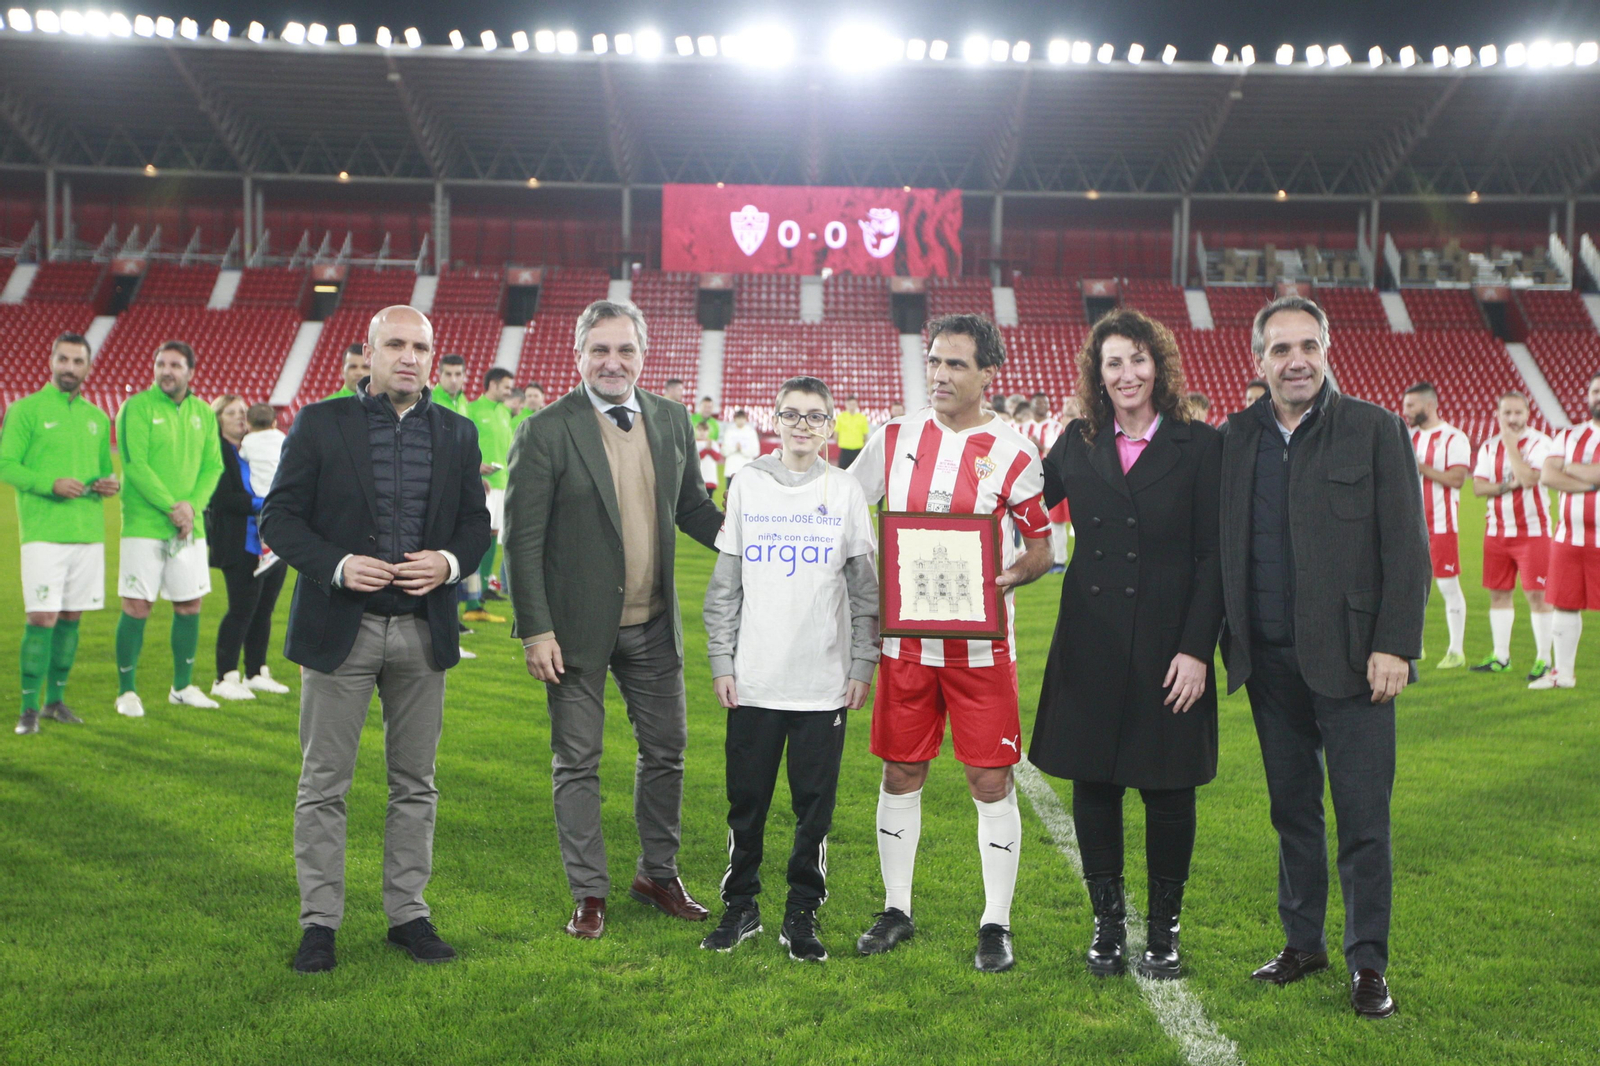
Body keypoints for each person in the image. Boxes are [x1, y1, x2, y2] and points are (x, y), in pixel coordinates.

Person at [261, 305, 491, 974]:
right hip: (342, 626)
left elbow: (476, 528)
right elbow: (279, 517)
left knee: (416, 783)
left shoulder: (457, 433)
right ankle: (320, 923)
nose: (410, 356)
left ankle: (407, 914)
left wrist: (448, 563)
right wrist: (337, 564)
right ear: (368, 352)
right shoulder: (321, 423)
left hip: (422, 631)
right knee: (324, 783)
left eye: (421, 345)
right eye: (396, 343)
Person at [1218, 296, 1428, 1019]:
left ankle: (1367, 963)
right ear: (1259, 360)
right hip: (1270, 665)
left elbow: (1407, 547)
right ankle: (1302, 942)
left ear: (1328, 350)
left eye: (1307, 345)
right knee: (1293, 813)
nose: (1295, 359)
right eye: (1280, 349)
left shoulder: (1375, 429)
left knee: (1364, 819)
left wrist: (1395, 643)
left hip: (1354, 664)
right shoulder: (1236, 436)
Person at [503, 299, 724, 941]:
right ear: (579, 356)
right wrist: (536, 630)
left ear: (642, 355)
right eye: (600, 350)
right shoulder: (545, 430)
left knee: (668, 751)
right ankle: (588, 891)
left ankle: (658, 872)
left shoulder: (672, 420)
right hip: (572, 631)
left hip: (653, 622)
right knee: (578, 760)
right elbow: (521, 540)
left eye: (625, 350)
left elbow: (694, 509)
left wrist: (761, 535)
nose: (613, 361)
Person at [847, 313, 1054, 974]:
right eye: (934, 361)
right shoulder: (895, 437)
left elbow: (1043, 548)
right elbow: (848, 510)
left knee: (989, 779)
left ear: (989, 374)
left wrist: (1013, 575)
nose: (939, 373)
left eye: (956, 364)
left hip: (982, 651)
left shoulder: (1017, 451)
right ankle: (896, 907)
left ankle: (996, 921)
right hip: (906, 647)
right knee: (900, 770)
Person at [1030, 308, 1222, 980]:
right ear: (1098, 373)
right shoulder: (1077, 442)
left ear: (1159, 365)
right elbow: (1022, 499)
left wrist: (1198, 649)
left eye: (1138, 359)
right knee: (1096, 783)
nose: (1127, 373)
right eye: (1114, 362)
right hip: (1092, 639)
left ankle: (1164, 931)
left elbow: (1213, 557)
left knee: (1168, 790)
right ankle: (1107, 926)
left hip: (1172, 646)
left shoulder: (1201, 446)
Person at [701, 376, 879, 961]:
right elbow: (725, 587)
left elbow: (864, 594)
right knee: (745, 802)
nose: (802, 426)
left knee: (814, 810)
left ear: (831, 426)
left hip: (822, 683)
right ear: (774, 421)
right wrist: (722, 660)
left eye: (814, 417)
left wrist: (861, 664)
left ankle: (801, 910)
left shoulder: (847, 491)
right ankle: (741, 905)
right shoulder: (748, 484)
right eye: (791, 415)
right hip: (754, 679)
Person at [0, 332, 116, 734]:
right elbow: (6, 464)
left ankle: (55, 702)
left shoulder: (98, 418)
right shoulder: (25, 411)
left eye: (78, 361)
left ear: (87, 366)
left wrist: (109, 484)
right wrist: (50, 483)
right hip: (44, 532)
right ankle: (28, 708)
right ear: (51, 362)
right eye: (63, 360)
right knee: (42, 616)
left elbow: (104, 470)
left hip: (87, 532)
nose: (70, 368)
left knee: (71, 617)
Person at [115, 340, 226, 716]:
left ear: (190, 372)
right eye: (161, 363)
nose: (167, 371)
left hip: (188, 527)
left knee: (189, 605)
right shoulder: (137, 407)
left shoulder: (203, 412)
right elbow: (136, 466)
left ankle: (182, 687)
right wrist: (172, 508)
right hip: (145, 524)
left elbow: (214, 466)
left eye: (175, 365)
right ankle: (126, 691)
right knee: (137, 605)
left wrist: (190, 509)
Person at [205, 395, 290, 702]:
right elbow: (225, 498)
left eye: (244, 412)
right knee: (241, 608)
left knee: (264, 609)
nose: (241, 417)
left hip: (271, 541)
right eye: (232, 412)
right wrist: (270, 504)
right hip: (239, 542)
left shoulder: (255, 449)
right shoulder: (218, 450)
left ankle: (255, 672)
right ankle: (224, 676)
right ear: (218, 419)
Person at [1469, 392, 1555, 678]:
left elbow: (1531, 479)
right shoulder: (1488, 447)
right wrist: (1509, 484)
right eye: (1507, 413)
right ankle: (1501, 657)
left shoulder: (1541, 443)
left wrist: (1510, 445)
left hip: (1533, 533)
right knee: (1499, 594)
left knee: (1538, 596)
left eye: (1518, 413)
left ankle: (1544, 660)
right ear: (1498, 414)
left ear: (1528, 414)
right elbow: (1479, 488)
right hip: (1496, 532)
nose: (1513, 419)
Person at [1533, 371, 1600, 690]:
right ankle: (1564, 674)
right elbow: (1548, 475)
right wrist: (1590, 481)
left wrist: (1571, 468)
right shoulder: (1568, 435)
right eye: (1595, 391)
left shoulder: (1570, 446)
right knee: (1565, 602)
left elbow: (1563, 471)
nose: (1598, 396)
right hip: (1568, 537)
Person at [1401, 382, 1471, 668]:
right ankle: (1414, 646)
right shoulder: (1409, 437)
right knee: (1408, 587)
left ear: (1429, 405)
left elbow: (1457, 479)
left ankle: (1456, 650)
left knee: (1447, 586)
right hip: (1409, 526)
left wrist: (1422, 468)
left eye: (1411, 405)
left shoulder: (1454, 438)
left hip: (1442, 524)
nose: (1406, 411)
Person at [464, 368, 515, 618]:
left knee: (494, 536)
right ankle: (471, 598)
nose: (509, 391)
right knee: (478, 537)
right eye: (506, 387)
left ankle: (484, 588)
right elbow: (465, 446)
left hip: (502, 483)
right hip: (481, 482)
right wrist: (475, 467)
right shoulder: (473, 409)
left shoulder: (504, 412)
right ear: (493, 385)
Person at [1046, 398, 1080, 571]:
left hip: (1077, 478)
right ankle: (1059, 560)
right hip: (1058, 476)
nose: (1069, 405)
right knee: (1056, 522)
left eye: (1073, 402)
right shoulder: (1053, 427)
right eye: (1066, 403)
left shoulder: (1087, 427)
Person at [721, 408, 761, 489]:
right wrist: (735, 448)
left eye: (742, 418)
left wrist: (742, 449)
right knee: (730, 495)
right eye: (738, 418)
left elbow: (756, 451)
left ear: (745, 419)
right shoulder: (730, 432)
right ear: (735, 419)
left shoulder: (750, 432)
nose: (740, 420)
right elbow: (724, 451)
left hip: (745, 468)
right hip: (731, 469)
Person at [834, 395, 871, 469]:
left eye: (853, 404)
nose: (852, 406)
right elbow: (836, 433)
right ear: (846, 405)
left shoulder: (862, 418)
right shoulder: (840, 417)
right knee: (843, 472)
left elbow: (865, 435)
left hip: (857, 450)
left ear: (857, 405)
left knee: (858, 472)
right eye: (850, 404)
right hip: (844, 450)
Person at [695, 420, 721, 495]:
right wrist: (706, 450)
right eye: (700, 430)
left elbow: (717, 457)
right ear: (696, 430)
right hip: (698, 478)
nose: (702, 432)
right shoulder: (694, 443)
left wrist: (710, 449)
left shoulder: (713, 443)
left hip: (710, 477)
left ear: (708, 431)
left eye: (704, 430)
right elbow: (696, 458)